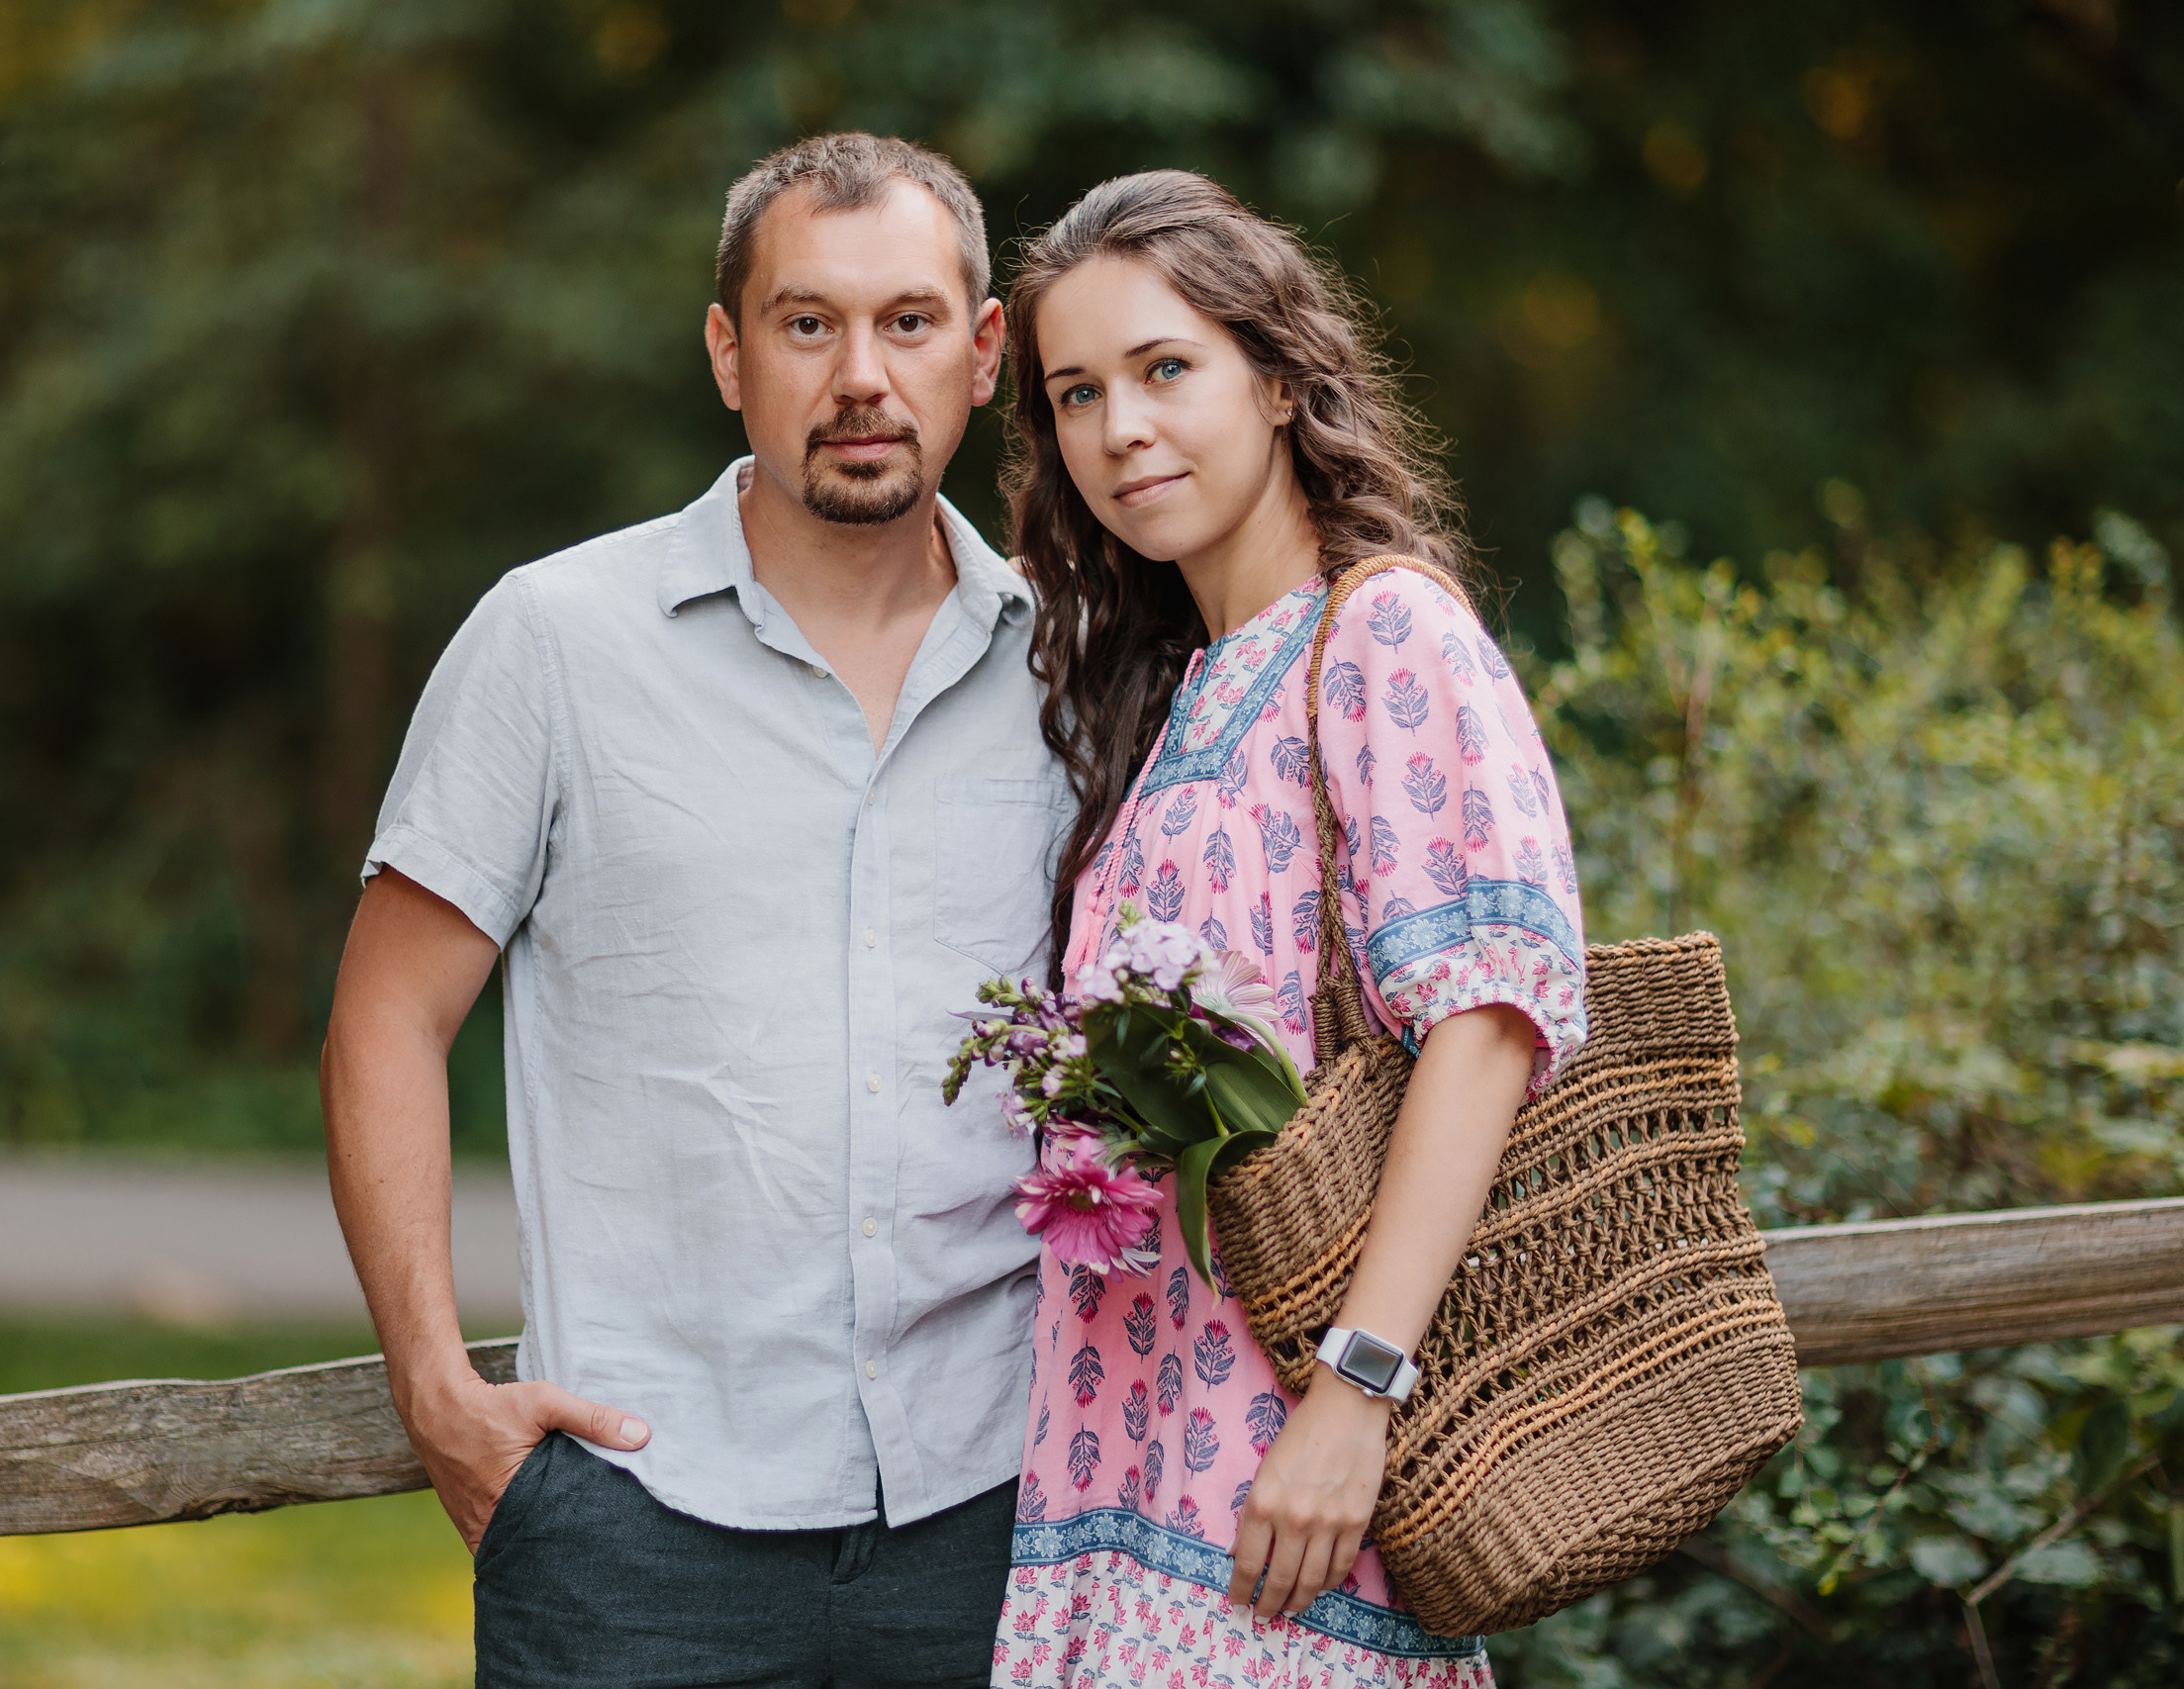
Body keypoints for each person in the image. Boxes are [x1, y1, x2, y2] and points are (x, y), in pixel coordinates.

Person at [321, 133, 1071, 1688]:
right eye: (808, 324)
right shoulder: (555, 642)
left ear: (986, 351)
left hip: (1002, 1505)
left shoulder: (1077, 668)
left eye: (910, 323)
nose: (862, 374)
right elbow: (386, 1018)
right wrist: (436, 1390)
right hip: (639, 1520)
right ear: (729, 355)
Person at [989, 171, 1589, 1686]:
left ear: (1277, 380)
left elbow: (1485, 1024)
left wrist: (1354, 1396)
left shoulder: (1383, 630)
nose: (1119, 428)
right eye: (1075, 393)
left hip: (1289, 1468)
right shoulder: (1179, 688)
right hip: (1124, 1460)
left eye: (1165, 369)